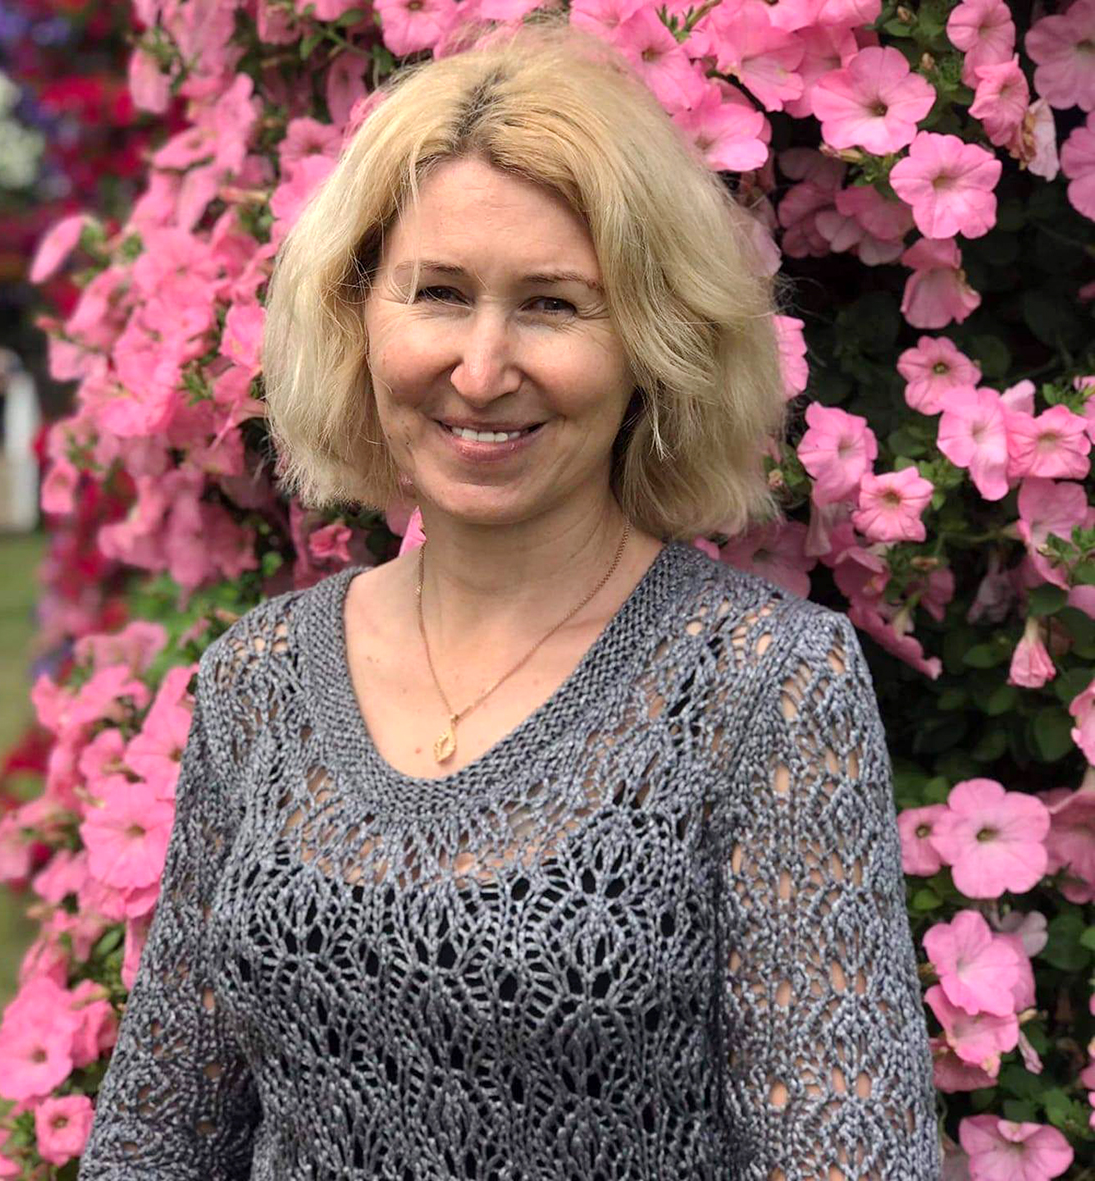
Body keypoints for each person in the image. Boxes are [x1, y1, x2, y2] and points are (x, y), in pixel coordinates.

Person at [79, 14, 942, 1181]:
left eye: (550, 304)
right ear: (356, 313)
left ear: (654, 341)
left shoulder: (761, 686)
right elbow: (155, 1139)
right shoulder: (261, 675)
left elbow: (845, 1158)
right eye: (437, 293)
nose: (481, 370)